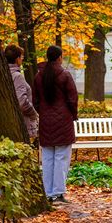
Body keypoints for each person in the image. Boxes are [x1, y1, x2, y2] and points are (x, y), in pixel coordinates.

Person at [32, 45, 78, 203]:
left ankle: (48, 193)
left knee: (47, 158)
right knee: (62, 157)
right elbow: (73, 98)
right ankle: (59, 192)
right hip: (63, 121)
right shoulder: (65, 75)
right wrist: (73, 114)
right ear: (59, 57)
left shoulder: (38, 76)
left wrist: (43, 113)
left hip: (46, 121)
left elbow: (35, 100)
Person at [4, 44, 39, 140]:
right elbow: (22, 102)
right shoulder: (17, 76)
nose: (22, 59)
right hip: (21, 122)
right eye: (21, 56)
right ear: (17, 58)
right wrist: (33, 113)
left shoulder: (4, 74)